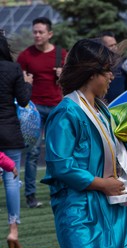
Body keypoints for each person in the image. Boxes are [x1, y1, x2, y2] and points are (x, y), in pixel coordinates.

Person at [40, 38, 127, 248]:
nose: (112, 77)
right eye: (107, 71)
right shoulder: (67, 112)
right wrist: (103, 184)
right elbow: (60, 166)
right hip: (80, 211)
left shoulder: (103, 111)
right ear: (91, 73)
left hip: (112, 208)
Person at [17, 16, 67, 208]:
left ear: (49, 34)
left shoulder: (61, 54)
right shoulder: (25, 56)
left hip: (56, 106)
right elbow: (18, 82)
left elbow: (73, 80)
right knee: (32, 151)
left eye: (40, 32)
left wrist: (63, 75)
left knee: (58, 151)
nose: (37, 35)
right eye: (34, 32)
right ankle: (31, 195)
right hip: (34, 108)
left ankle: (59, 190)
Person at [0, 33, 32, 248]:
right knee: (12, 181)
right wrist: (27, 83)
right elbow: (23, 100)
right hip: (9, 130)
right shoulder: (13, 69)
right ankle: (13, 230)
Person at [98, 31, 127, 104]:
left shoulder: (123, 63)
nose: (114, 48)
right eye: (111, 46)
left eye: (115, 45)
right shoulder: (98, 66)